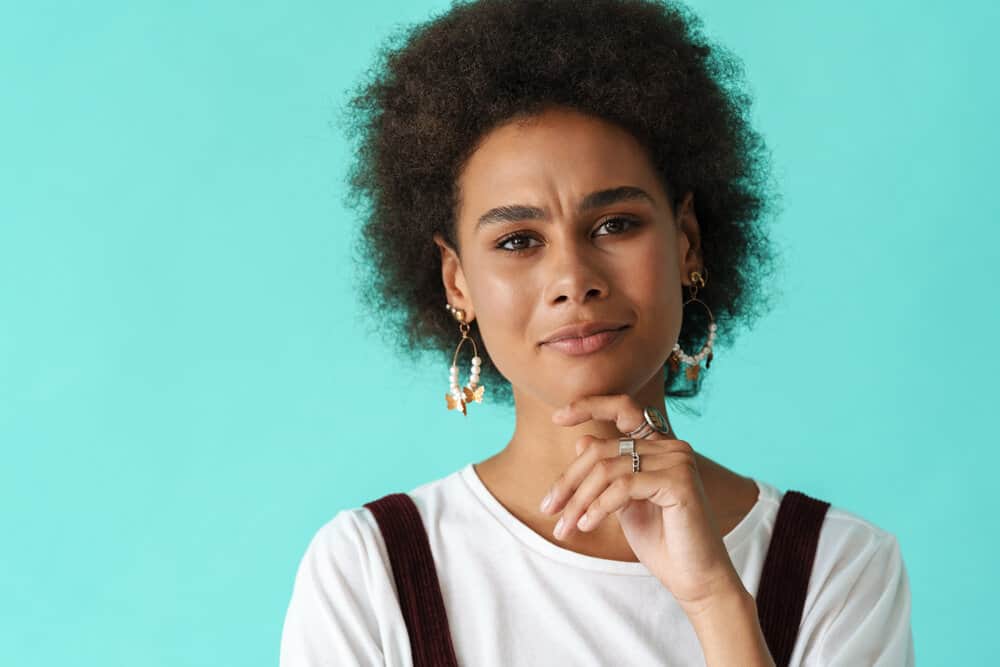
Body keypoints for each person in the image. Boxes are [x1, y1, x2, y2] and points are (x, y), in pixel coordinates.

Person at [279, 0, 914, 664]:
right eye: (518, 239)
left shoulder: (838, 566)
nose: (572, 278)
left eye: (614, 224)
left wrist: (713, 599)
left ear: (687, 242)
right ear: (456, 282)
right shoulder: (369, 570)